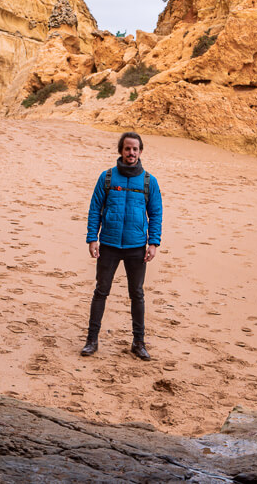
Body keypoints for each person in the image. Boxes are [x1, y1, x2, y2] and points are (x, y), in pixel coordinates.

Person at [82, 132, 163, 361]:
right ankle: (92, 340)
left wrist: (153, 243)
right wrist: (92, 238)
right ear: (121, 151)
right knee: (101, 291)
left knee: (137, 294)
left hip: (137, 246)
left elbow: (155, 213)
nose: (131, 153)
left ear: (140, 152)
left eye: (135, 149)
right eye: (127, 149)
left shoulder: (149, 181)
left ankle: (138, 343)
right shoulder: (107, 178)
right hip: (108, 244)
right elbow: (94, 209)